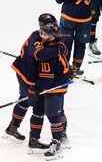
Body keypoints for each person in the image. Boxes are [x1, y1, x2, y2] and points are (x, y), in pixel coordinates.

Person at [3, 14, 69, 153]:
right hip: (29, 77)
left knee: (24, 100)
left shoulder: (36, 34)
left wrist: (60, 49)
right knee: (38, 107)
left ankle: (13, 127)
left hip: (23, 71)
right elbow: (40, 55)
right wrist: (37, 88)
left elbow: (60, 48)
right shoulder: (40, 42)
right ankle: (34, 140)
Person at [28, 22, 72, 159]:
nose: (41, 36)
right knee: (38, 111)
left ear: (52, 37)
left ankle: (57, 142)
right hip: (51, 83)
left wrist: (35, 89)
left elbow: (47, 79)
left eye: (45, 34)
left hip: (55, 86)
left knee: (53, 115)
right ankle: (33, 140)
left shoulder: (47, 55)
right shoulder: (56, 44)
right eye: (41, 32)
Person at [55, 0, 100, 75]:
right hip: (85, 18)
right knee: (81, 45)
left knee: (65, 44)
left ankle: (63, 68)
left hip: (68, 17)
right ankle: (76, 68)